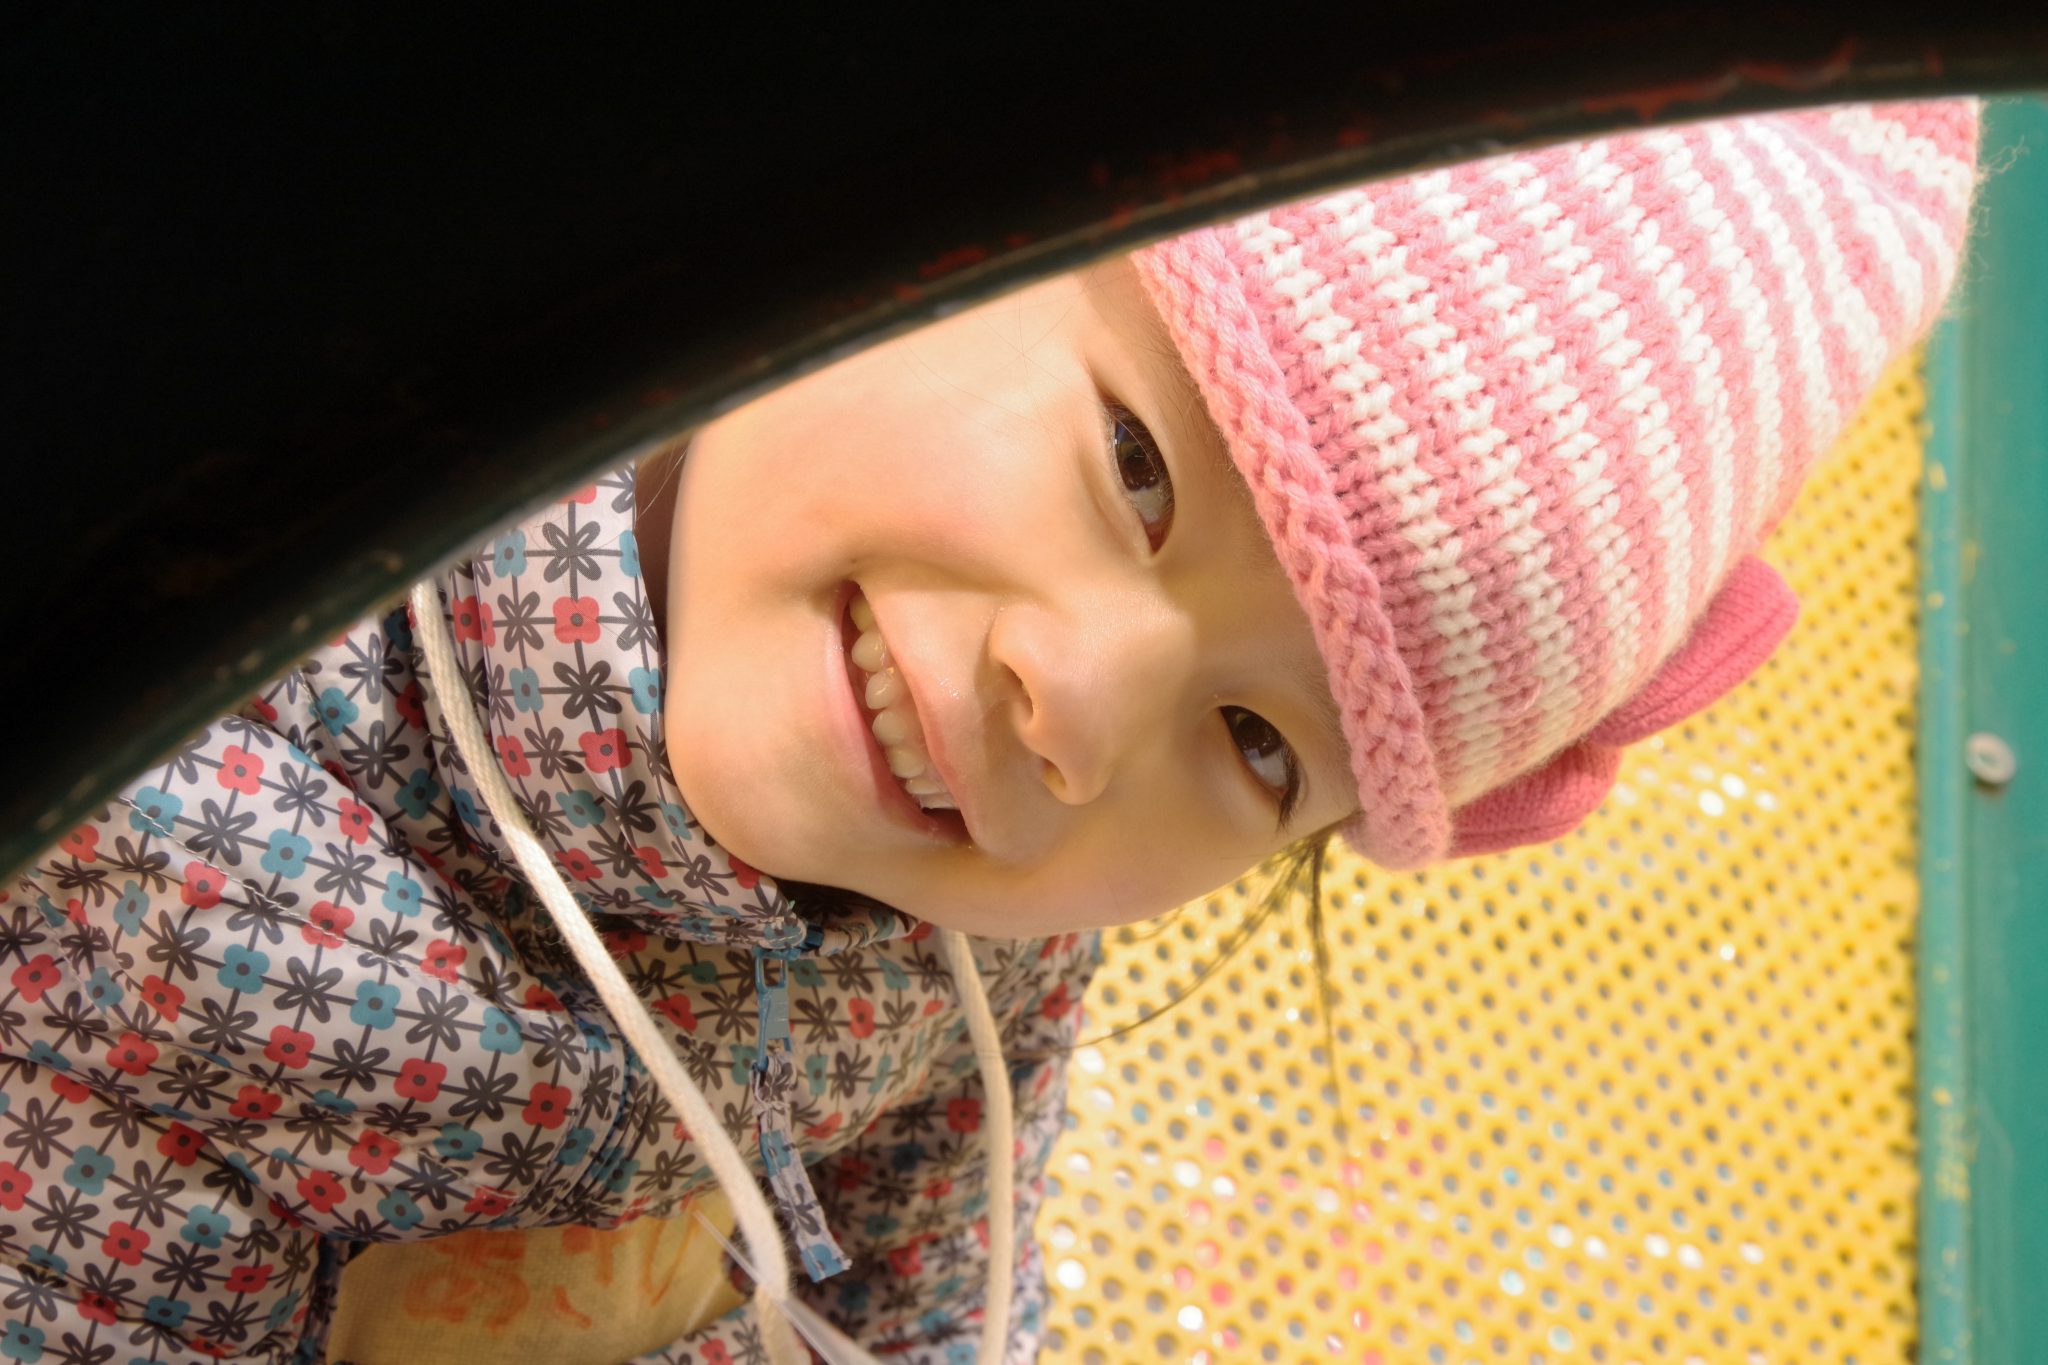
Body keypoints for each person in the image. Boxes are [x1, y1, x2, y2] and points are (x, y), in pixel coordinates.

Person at [0, 99, 1977, 1365]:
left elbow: (945, 1287)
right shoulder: (182, 753)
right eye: (1135, 466)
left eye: (1261, 746)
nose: (1082, 713)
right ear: (916, 209)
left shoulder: (981, 939)